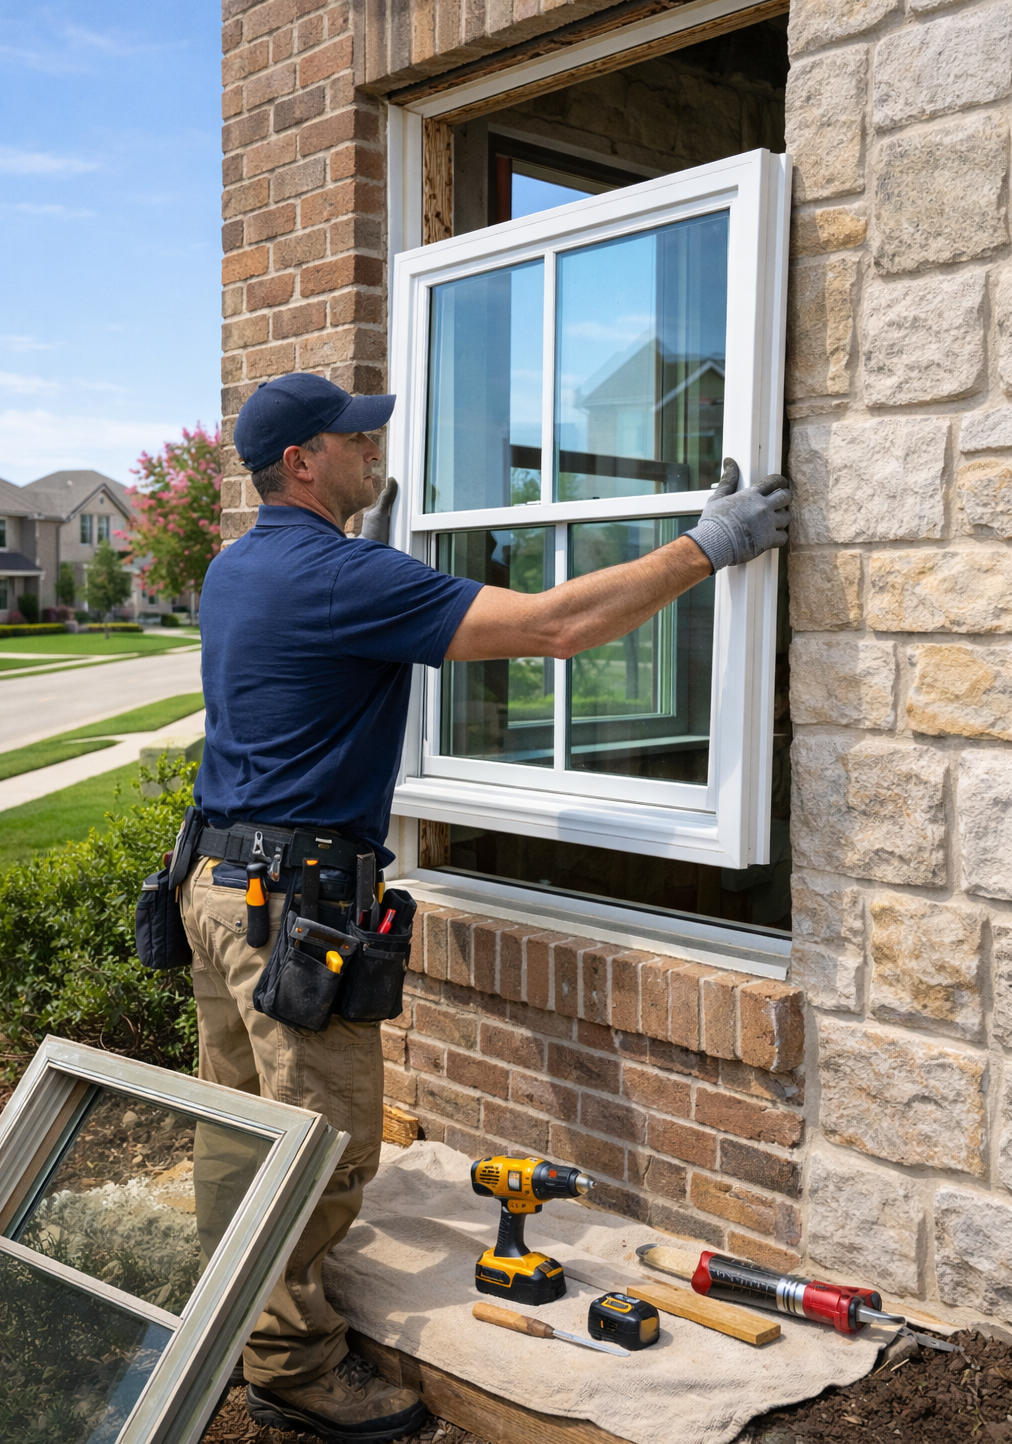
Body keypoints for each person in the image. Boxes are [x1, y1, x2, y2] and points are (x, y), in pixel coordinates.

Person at [181, 371, 790, 1442]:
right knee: (326, 1143)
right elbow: (556, 629)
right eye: (357, 440)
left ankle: (228, 1305)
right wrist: (708, 546)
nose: (376, 449)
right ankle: (288, 1366)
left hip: (219, 883)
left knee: (242, 1125)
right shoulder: (338, 576)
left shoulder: (235, 570)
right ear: (304, 464)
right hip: (289, 906)